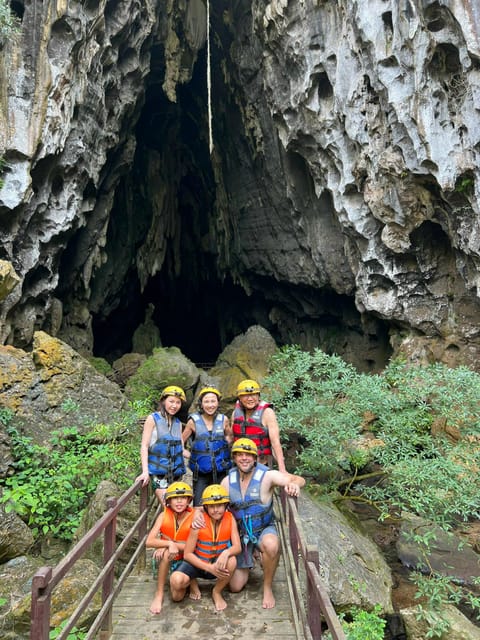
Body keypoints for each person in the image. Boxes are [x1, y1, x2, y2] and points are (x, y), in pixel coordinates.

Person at [222, 437, 305, 609]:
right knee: (235, 587)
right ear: (235, 458)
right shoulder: (227, 482)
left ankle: (267, 586)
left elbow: (298, 479)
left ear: (255, 458)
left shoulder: (268, 476)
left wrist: (295, 485)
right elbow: (213, 507)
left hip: (263, 529)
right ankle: (251, 557)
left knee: (271, 545)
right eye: (240, 455)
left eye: (248, 455)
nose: (244, 458)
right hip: (241, 536)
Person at [170, 484, 242, 611]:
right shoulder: (198, 522)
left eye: (219, 505)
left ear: (225, 506)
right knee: (176, 590)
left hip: (217, 563)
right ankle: (192, 581)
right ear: (206, 507)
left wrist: (226, 552)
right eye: (212, 506)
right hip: (198, 564)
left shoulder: (230, 519)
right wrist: (209, 568)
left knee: (232, 560)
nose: (215, 510)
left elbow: (237, 547)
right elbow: (187, 555)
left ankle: (217, 591)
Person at [145, 481, 199, 614]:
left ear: (188, 500)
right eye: (175, 498)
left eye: (183, 498)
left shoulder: (195, 516)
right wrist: (168, 544)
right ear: (169, 501)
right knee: (176, 597)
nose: (179, 502)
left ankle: (192, 581)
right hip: (171, 556)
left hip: (189, 557)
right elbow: (149, 541)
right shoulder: (163, 516)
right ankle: (159, 594)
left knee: (177, 596)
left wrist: (172, 544)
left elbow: (194, 545)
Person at [136, 385, 189, 504]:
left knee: (179, 509)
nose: (174, 405)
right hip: (159, 475)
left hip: (176, 475)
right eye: (171, 401)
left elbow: (181, 449)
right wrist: (145, 471)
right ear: (163, 401)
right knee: (170, 506)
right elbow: (144, 446)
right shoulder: (152, 419)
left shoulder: (178, 423)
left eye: (178, 402)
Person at [182, 386, 232, 506]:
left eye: (213, 401)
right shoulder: (193, 422)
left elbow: (230, 437)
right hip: (201, 473)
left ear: (218, 403)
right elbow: (180, 442)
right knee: (199, 506)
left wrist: (223, 450)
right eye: (207, 401)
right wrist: (189, 454)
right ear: (201, 404)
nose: (210, 405)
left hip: (222, 471)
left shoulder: (224, 420)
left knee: (223, 504)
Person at [231, 379, 287, 472]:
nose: (250, 399)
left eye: (254, 395)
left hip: (261, 464)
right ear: (239, 398)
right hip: (241, 465)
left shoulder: (267, 413)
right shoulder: (235, 414)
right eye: (246, 396)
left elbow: (275, 443)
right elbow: (233, 440)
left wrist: (282, 469)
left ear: (258, 396)